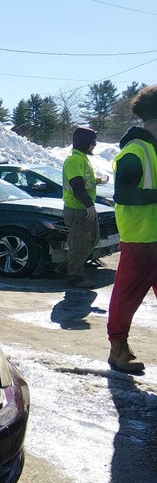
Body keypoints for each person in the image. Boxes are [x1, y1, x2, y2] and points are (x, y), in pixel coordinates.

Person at [107, 84, 157, 374]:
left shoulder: (153, 150)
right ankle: (118, 349)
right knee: (126, 297)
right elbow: (122, 194)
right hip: (139, 241)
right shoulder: (135, 152)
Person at [62, 126, 101, 288]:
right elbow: (77, 186)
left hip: (82, 209)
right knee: (80, 243)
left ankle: (67, 266)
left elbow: (82, 182)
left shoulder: (81, 158)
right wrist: (89, 206)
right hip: (78, 209)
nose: (94, 146)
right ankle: (74, 277)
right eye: (93, 142)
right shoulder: (75, 160)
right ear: (85, 142)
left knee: (92, 239)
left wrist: (97, 181)